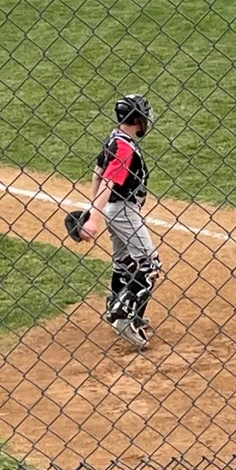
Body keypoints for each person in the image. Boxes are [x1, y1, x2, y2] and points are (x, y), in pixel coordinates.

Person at [76, 93, 162, 350]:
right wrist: (93, 218)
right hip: (123, 211)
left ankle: (123, 309)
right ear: (137, 119)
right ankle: (123, 316)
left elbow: (97, 174)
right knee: (149, 264)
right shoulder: (124, 147)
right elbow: (108, 181)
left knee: (124, 263)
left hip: (116, 210)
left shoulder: (115, 138)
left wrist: (94, 207)